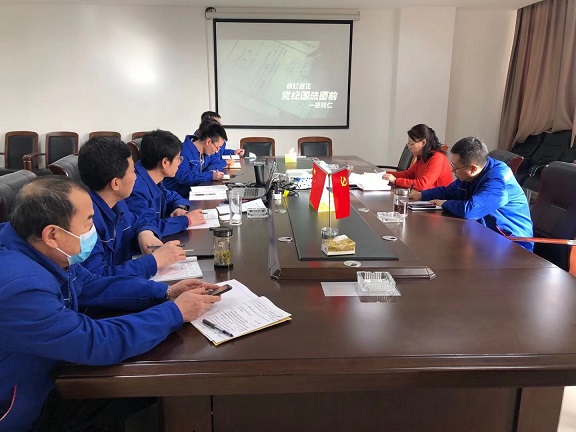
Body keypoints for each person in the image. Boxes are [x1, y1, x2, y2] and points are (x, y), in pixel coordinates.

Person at [0, 176, 220, 431]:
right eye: (88, 222)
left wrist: (166, 292)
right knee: (141, 387)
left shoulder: (38, 248)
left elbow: (92, 285)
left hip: (49, 372)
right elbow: (95, 341)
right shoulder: (19, 287)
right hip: (26, 411)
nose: (93, 230)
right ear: (52, 234)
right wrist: (175, 313)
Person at [78, 136, 185, 278]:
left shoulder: (117, 202)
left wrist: (145, 232)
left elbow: (136, 221)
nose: (136, 177)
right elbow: (97, 278)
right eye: (133, 171)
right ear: (116, 183)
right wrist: (154, 261)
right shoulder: (86, 222)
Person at [410, 136, 534, 251]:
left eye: (455, 167)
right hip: (486, 233)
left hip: (512, 244)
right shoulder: (473, 173)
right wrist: (421, 195)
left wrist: (444, 203)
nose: (452, 170)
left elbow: (470, 210)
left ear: (473, 168)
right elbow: (450, 191)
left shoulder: (498, 180)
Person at [126, 129, 206, 237]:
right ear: (165, 162)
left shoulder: (154, 179)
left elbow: (172, 197)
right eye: (178, 158)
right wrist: (186, 220)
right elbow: (148, 227)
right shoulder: (136, 188)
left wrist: (180, 207)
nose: (179, 163)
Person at [163, 120, 230, 198]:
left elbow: (215, 162)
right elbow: (182, 176)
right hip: (177, 196)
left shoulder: (205, 153)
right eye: (217, 147)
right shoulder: (184, 151)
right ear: (208, 141)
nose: (217, 151)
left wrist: (212, 173)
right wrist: (210, 175)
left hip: (192, 193)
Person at [383, 124, 453, 191]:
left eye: (411, 144)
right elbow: (408, 175)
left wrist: (395, 181)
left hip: (439, 198)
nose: (409, 147)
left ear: (423, 142)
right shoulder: (422, 156)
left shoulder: (438, 158)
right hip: (425, 195)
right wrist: (384, 173)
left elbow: (423, 184)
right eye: (408, 144)